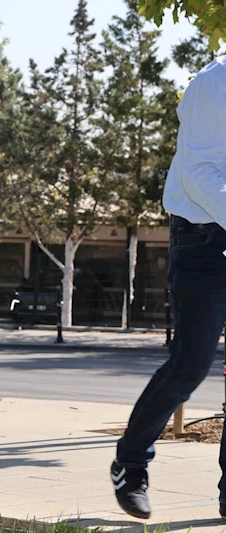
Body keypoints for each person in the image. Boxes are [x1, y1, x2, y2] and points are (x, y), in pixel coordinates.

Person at [110, 57, 226, 521]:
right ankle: (131, 462)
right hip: (205, 241)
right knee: (190, 363)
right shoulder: (214, 83)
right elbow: (200, 174)